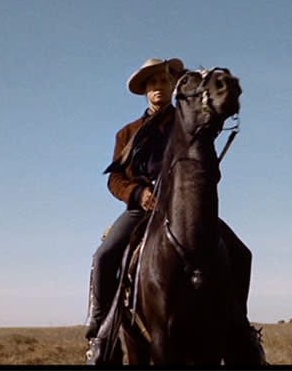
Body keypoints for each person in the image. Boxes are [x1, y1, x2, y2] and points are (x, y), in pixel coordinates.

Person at [85, 58, 265, 364]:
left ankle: (241, 328)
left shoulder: (187, 119)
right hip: (141, 210)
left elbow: (208, 125)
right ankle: (101, 332)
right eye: (152, 83)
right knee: (104, 256)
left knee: (241, 254)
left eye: (163, 82)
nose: (158, 87)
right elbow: (115, 179)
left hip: (182, 208)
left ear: (172, 87)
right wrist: (138, 194)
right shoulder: (127, 133)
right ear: (145, 90)